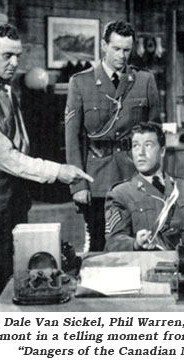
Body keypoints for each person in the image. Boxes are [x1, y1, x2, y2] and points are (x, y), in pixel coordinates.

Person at [0, 23, 93, 311]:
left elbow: (19, 144)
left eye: (18, 55)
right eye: (8, 55)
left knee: (12, 268)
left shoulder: (4, 89)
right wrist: (58, 171)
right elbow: (5, 156)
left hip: (9, 186)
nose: (15, 63)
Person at [65, 20, 160, 251]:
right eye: (116, 49)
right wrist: (78, 186)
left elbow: (155, 135)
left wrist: (155, 177)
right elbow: (72, 138)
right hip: (97, 178)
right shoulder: (81, 82)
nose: (122, 55)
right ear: (103, 46)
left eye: (127, 50)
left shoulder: (145, 81)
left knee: (139, 242)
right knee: (99, 244)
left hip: (134, 175)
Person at [104, 122, 184, 251]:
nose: (141, 152)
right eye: (135, 146)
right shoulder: (121, 193)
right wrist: (136, 243)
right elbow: (113, 242)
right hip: (146, 264)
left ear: (162, 151)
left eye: (148, 145)